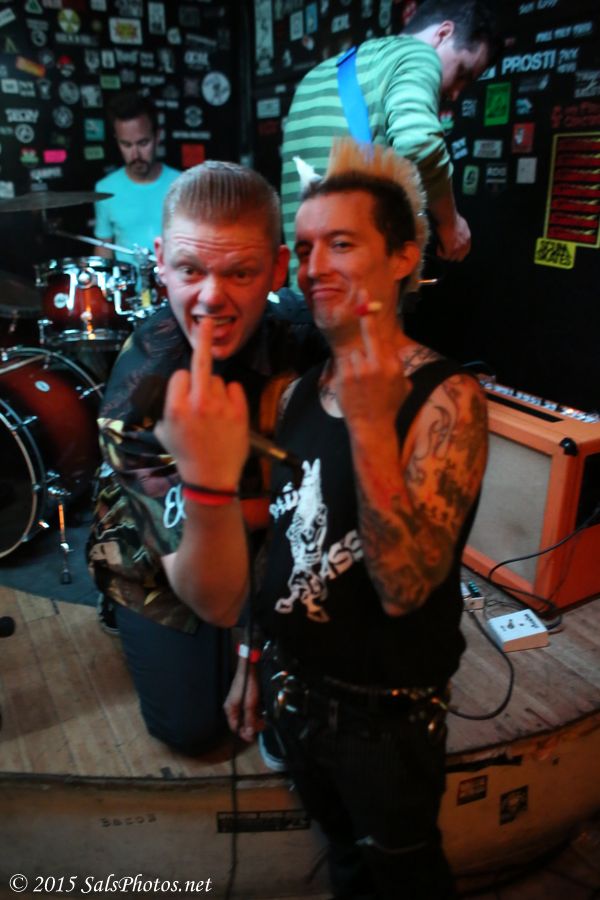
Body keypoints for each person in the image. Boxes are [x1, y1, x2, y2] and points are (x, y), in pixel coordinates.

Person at [156, 139, 488, 896]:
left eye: (341, 243)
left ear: (403, 256)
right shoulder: (295, 393)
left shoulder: (448, 398)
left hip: (385, 722)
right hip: (291, 690)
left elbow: (406, 589)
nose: (312, 269)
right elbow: (280, 540)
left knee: (403, 873)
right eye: (304, 249)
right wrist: (251, 658)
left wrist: (371, 428)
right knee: (342, 859)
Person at [86, 161, 325, 755]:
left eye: (240, 272)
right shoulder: (138, 392)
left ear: (277, 268)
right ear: (161, 261)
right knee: (193, 726)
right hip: (162, 546)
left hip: (272, 528)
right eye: (190, 269)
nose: (212, 298)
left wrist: (256, 647)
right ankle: (121, 608)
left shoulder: (305, 340)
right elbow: (216, 601)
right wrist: (210, 482)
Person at [281, 0, 505, 287]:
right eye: (462, 72)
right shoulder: (417, 55)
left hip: (306, 288)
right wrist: (450, 224)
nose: (456, 93)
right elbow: (419, 145)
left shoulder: (317, 76)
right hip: (358, 292)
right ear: (443, 34)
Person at [93, 92, 180, 264]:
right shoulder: (105, 189)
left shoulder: (183, 185)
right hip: (127, 281)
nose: (135, 155)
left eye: (143, 143)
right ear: (117, 141)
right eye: (126, 145)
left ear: (157, 137)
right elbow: (104, 248)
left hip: (172, 280)